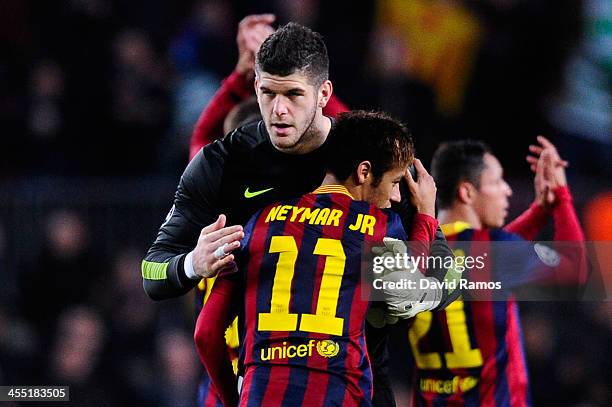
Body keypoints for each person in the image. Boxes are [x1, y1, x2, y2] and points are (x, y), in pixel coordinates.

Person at [142, 21, 456, 406]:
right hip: (272, 384)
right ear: (254, 85)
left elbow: (448, 283)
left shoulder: (372, 158)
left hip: (341, 384)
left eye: (293, 94)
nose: (279, 110)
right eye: (268, 92)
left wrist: (417, 248)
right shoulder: (221, 164)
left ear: (324, 93)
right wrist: (192, 263)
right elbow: (152, 271)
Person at [194, 110, 438, 406]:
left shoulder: (257, 222)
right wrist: (426, 216)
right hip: (337, 393)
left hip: (260, 394)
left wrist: (234, 399)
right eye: (395, 181)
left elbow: (206, 333)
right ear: (363, 172)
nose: (397, 196)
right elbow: (412, 299)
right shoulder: (379, 224)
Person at [406, 136, 586, 406]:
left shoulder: (414, 252)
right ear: (467, 192)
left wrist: (538, 212)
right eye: (496, 182)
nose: (507, 190)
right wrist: (561, 195)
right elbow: (575, 273)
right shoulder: (490, 250)